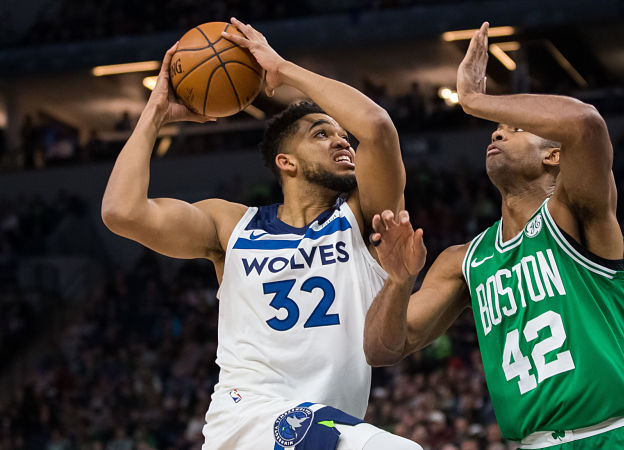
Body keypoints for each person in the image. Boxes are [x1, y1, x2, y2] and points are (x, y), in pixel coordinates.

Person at [102, 17, 420, 450]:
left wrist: (284, 69)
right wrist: (157, 108)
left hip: (322, 429)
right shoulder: (231, 224)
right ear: (286, 162)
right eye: (322, 134)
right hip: (250, 416)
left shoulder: (361, 220)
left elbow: (378, 128)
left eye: (343, 135)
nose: (342, 141)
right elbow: (122, 212)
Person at [363, 22, 624, 449]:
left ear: (554, 153)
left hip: (618, 433)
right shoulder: (463, 260)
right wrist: (398, 284)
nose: (496, 130)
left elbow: (585, 123)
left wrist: (476, 100)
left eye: (514, 129)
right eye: (497, 128)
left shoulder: (576, 214)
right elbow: (383, 349)